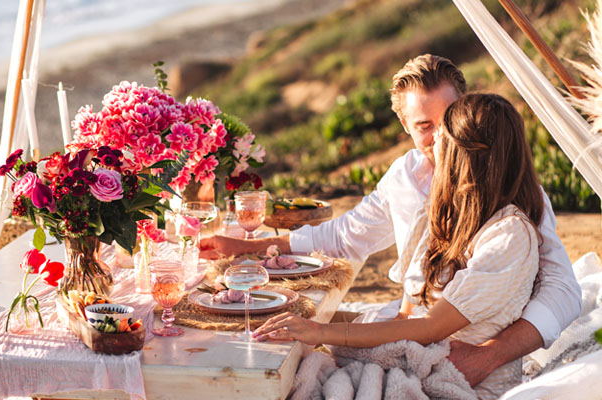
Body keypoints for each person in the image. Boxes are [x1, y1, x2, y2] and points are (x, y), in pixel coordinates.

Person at [199, 55, 581, 387]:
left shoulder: (511, 202)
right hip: (415, 324)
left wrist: (489, 356)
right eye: (424, 126)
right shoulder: (405, 178)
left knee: (309, 344)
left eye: (448, 119)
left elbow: (562, 288)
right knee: (279, 329)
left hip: (462, 343)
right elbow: (347, 235)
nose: (439, 137)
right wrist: (250, 248)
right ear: (404, 125)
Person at [255, 93, 543, 398]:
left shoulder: (509, 235)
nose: (432, 143)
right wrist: (313, 326)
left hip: (460, 382)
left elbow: (431, 327)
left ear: (468, 153)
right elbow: (405, 315)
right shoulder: (443, 211)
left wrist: (322, 332)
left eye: (442, 135)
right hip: (411, 358)